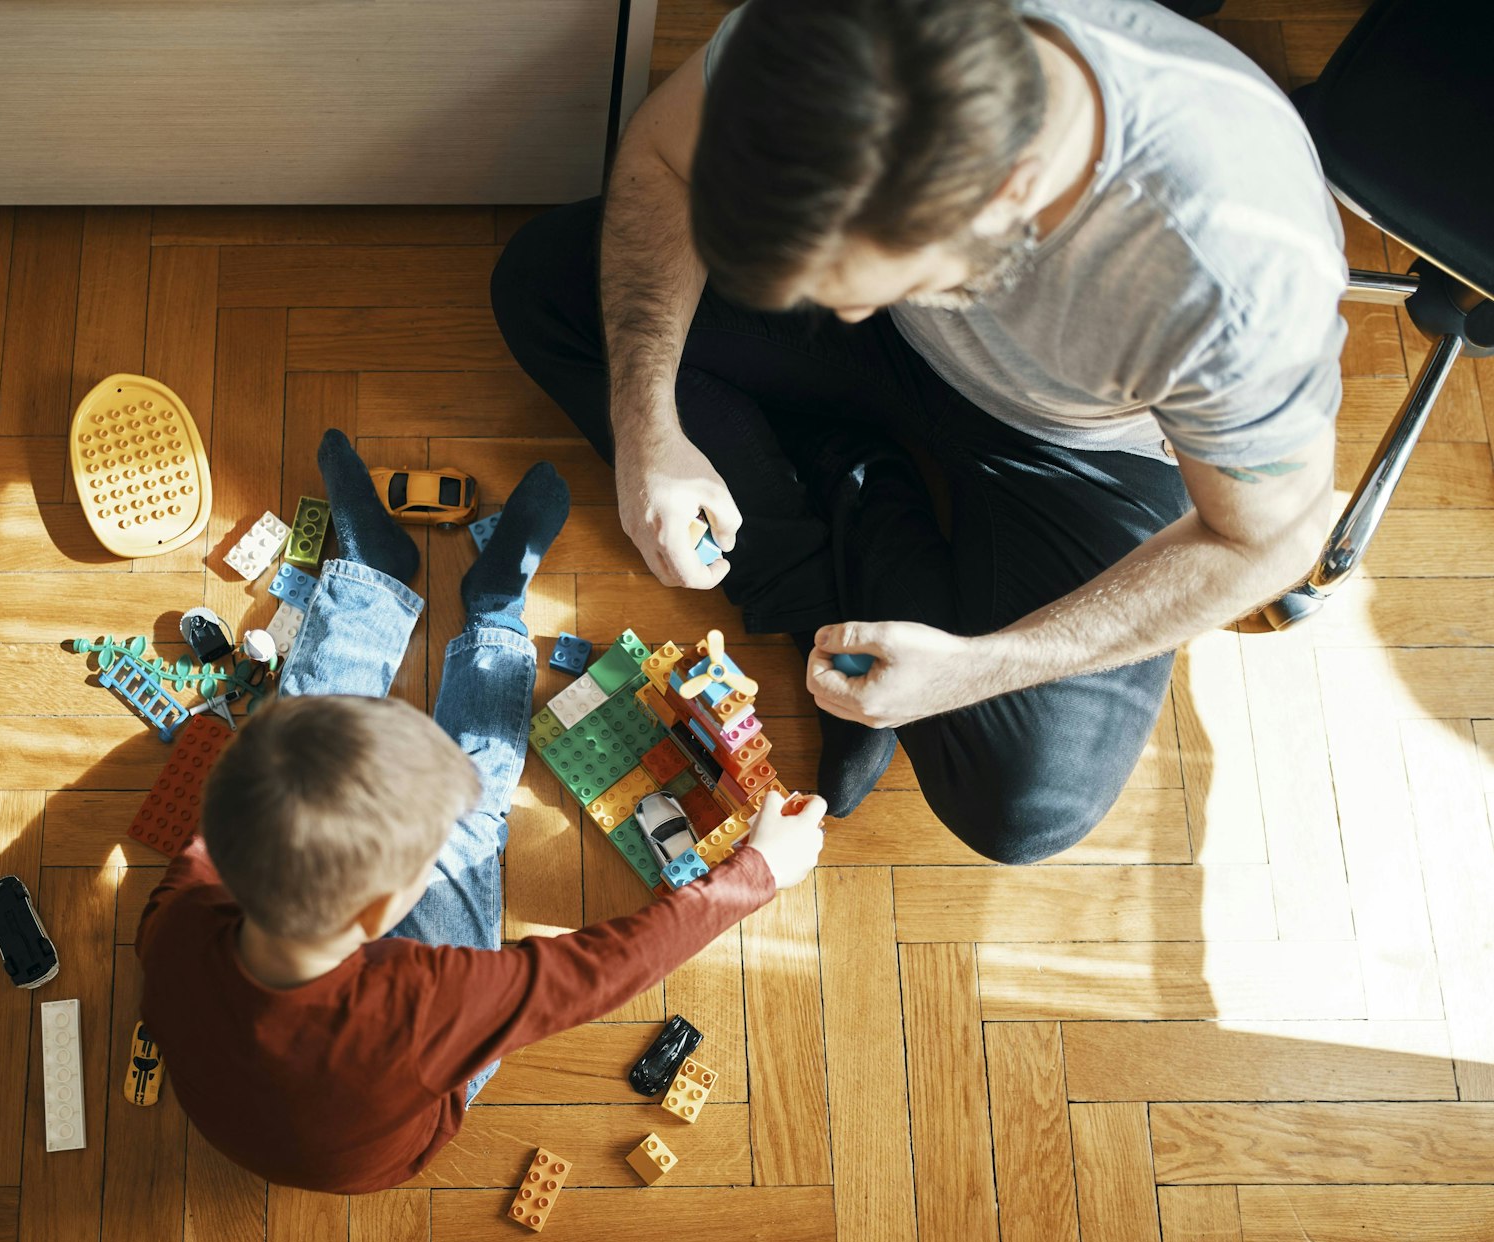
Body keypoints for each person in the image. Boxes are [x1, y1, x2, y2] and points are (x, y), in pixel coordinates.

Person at [490, 0, 1347, 864]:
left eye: (876, 275)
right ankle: (821, 588)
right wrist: (648, 427)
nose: (846, 304)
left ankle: (837, 470)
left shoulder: (1234, 277)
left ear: (1012, 191)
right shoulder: (828, 35)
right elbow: (663, 158)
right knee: (545, 283)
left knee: (1025, 803)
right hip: (898, 353)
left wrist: (977, 668)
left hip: (1079, 447)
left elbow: (1268, 539)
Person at [135, 430, 829, 1194]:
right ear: (379, 916)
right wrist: (760, 869)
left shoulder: (180, 916)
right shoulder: (428, 1004)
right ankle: (496, 613)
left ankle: (373, 576)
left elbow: (227, 812)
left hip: (255, 1093)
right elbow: (609, 967)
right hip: (394, 1141)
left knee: (297, 738)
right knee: (468, 821)